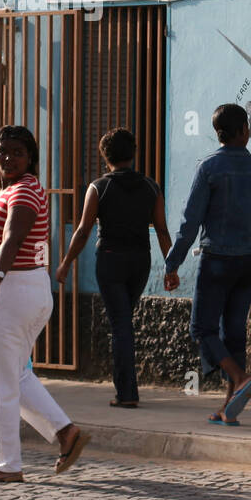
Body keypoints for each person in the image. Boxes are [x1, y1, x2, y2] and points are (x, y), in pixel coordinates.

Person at [0, 126, 89, 483]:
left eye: (17, 152)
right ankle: (66, 433)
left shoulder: (23, 191)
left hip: (11, 291)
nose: (8, 158)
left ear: (31, 158)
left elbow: (13, 238)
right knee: (13, 375)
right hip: (17, 291)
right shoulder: (14, 190)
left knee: (0, 381)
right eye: (2, 151)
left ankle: (8, 465)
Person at [165, 104, 251, 425]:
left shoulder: (208, 168)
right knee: (234, 333)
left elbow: (190, 222)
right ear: (244, 130)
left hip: (216, 260)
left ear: (219, 133)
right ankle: (229, 406)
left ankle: (239, 379)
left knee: (202, 329)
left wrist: (172, 263)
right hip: (248, 262)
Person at [55, 128, 172, 408]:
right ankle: (126, 388)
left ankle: (127, 393)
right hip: (140, 262)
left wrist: (66, 263)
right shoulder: (151, 187)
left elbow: (83, 231)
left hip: (110, 261)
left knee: (120, 325)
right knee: (124, 323)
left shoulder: (99, 187)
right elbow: (163, 231)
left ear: (104, 156)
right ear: (134, 153)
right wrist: (172, 267)